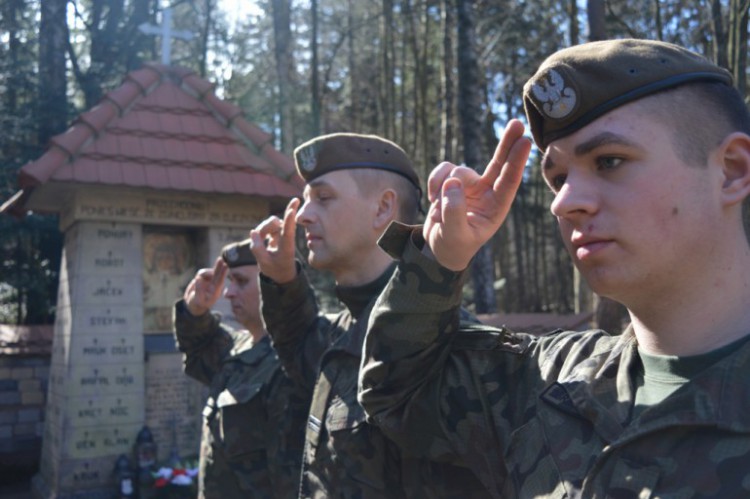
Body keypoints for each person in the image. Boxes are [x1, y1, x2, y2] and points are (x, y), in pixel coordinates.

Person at [358, 38, 750, 497]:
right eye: (558, 179)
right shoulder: (554, 381)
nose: (563, 203)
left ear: (732, 170)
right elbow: (395, 394)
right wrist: (440, 259)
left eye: (609, 161)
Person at [249, 133, 489, 498]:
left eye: (323, 199)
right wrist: (282, 280)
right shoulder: (347, 329)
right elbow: (299, 351)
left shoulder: (443, 346)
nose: (303, 217)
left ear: (382, 208)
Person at [172, 240, 309, 498]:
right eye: (230, 282)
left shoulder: (300, 357)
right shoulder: (239, 346)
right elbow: (200, 349)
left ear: (277, 283)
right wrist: (196, 310)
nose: (228, 293)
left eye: (241, 282)